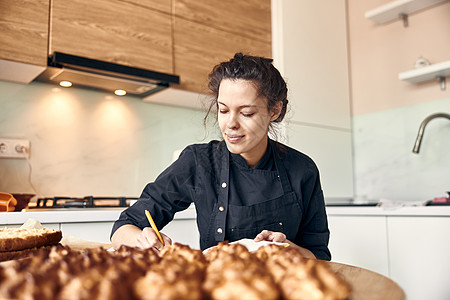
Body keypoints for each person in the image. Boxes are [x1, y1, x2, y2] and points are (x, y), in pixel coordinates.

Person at [111, 53, 331, 260]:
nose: (230, 124)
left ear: (274, 111)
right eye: (223, 110)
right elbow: (124, 226)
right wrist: (142, 240)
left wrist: (288, 249)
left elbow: (319, 256)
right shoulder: (198, 161)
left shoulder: (302, 169)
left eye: (247, 113)